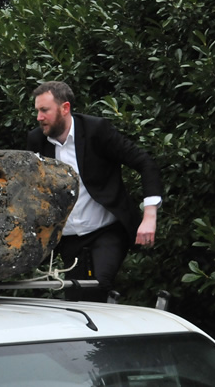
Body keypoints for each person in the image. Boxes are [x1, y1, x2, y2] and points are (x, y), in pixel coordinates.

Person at [27, 81, 163, 302]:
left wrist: (149, 216)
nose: (39, 117)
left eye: (44, 110)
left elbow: (144, 162)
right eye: (37, 111)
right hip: (70, 239)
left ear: (65, 108)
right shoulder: (36, 141)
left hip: (106, 230)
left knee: (100, 284)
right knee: (77, 297)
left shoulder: (96, 130)